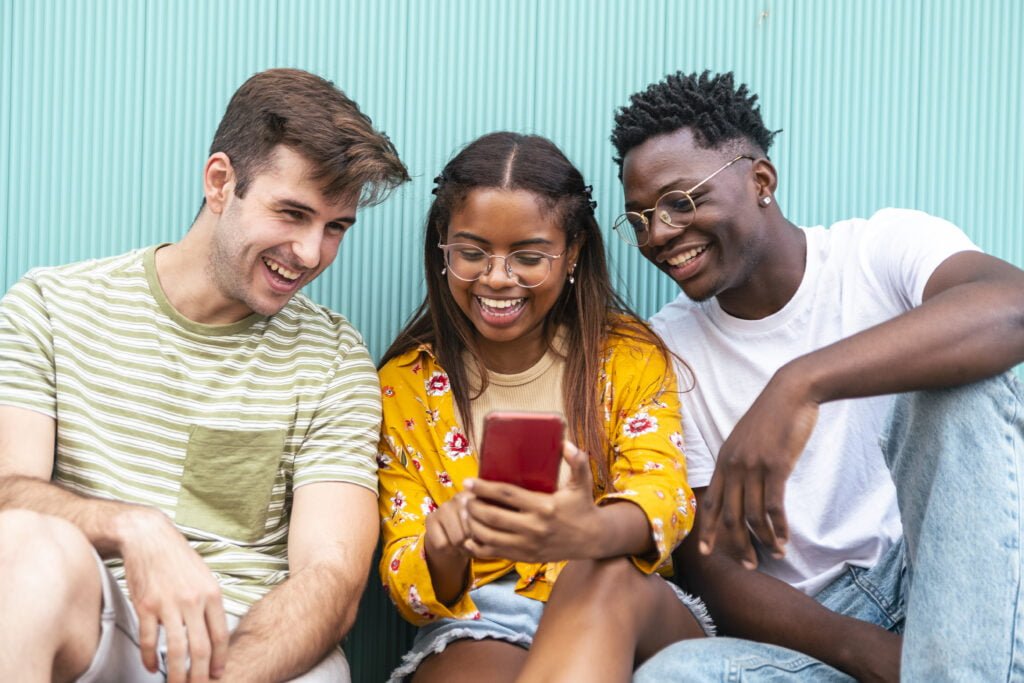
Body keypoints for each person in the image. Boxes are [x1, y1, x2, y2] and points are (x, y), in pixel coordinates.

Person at [608, 70, 1024, 681]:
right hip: (816, 633)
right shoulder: (666, 350)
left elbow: (1011, 307)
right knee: (675, 674)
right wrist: (869, 654)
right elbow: (715, 568)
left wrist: (799, 384)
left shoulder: (880, 251)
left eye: (680, 201)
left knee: (964, 384)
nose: (659, 234)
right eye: (640, 218)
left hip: (954, 579)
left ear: (760, 181)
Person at [0, 68, 409, 683]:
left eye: (335, 228)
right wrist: (130, 527)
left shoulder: (332, 356)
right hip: (101, 630)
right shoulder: (51, 306)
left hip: (250, 650)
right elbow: (7, 494)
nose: (309, 253)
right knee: (25, 546)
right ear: (221, 182)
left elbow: (331, 577)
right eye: (292, 213)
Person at [375, 132, 715, 682]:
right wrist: (443, 546)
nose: (498, 277)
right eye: (471, 253)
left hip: (626, 598)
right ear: (443, 247)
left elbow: (665, 495)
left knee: (599, 574)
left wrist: (590, 532)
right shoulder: (407, 384)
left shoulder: (625, 356)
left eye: (529, 257)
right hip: (481, 615)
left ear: (572, 252)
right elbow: (407, 582)